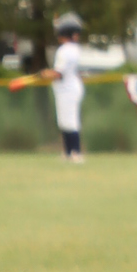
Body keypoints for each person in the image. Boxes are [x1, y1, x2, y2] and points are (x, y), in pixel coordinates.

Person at [52, 12, 88, 163]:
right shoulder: (74, 49)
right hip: (69, 88)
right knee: (65, 121)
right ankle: (68, 152)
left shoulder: (64, 50)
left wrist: (45, 74)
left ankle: (75, 152)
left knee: (70, 121)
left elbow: (58, 73)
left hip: (67, 89)